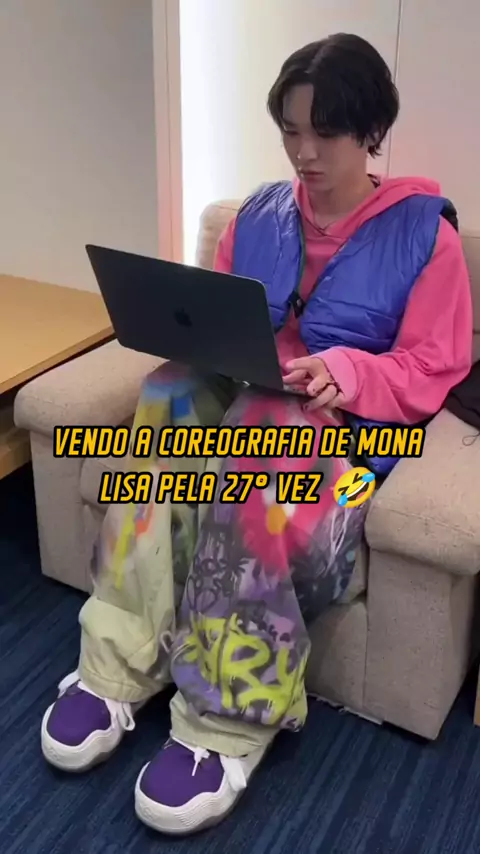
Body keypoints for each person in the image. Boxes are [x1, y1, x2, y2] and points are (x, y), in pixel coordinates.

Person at [40, 33, 472, 836]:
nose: (304, 154)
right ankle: (116, 665)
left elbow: (435, 366)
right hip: (246, 411)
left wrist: (351, 371)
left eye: (325, 134)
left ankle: (227, 718)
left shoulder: (427, 236)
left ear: (371, 130)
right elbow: (216, 320)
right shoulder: (259, 215)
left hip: (343, 455)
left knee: (263, 427)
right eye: (290, 131)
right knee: (171, 391)